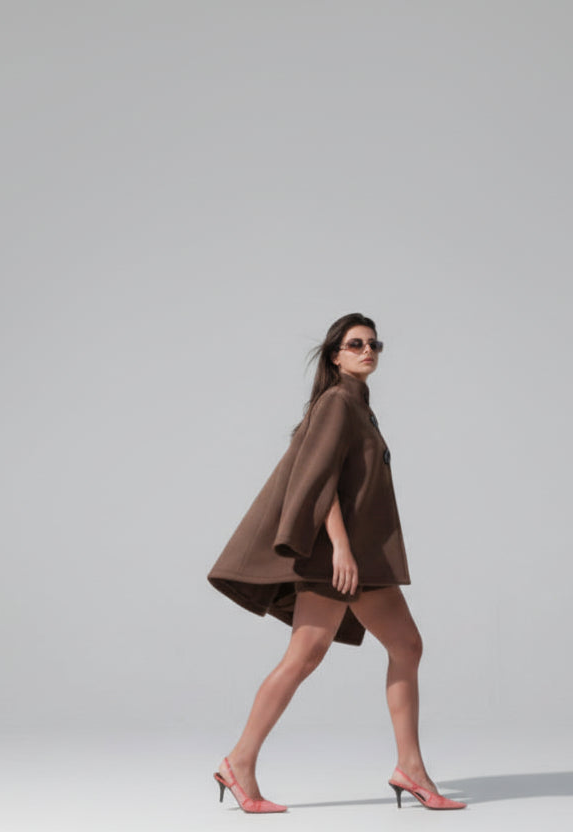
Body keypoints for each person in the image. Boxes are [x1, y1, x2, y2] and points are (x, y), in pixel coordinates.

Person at [207, 313, 467, 813]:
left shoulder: (358, 406)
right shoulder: (336, 403)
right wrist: (341, 548)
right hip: (337, 558)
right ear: (335, 355)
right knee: (305, 655)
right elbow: (316, 482)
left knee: (405, 646)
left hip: (362, 558)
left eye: (374, 344)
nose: (368, 351)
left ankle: (410, 768)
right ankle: (239, 762)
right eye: (356, 344)